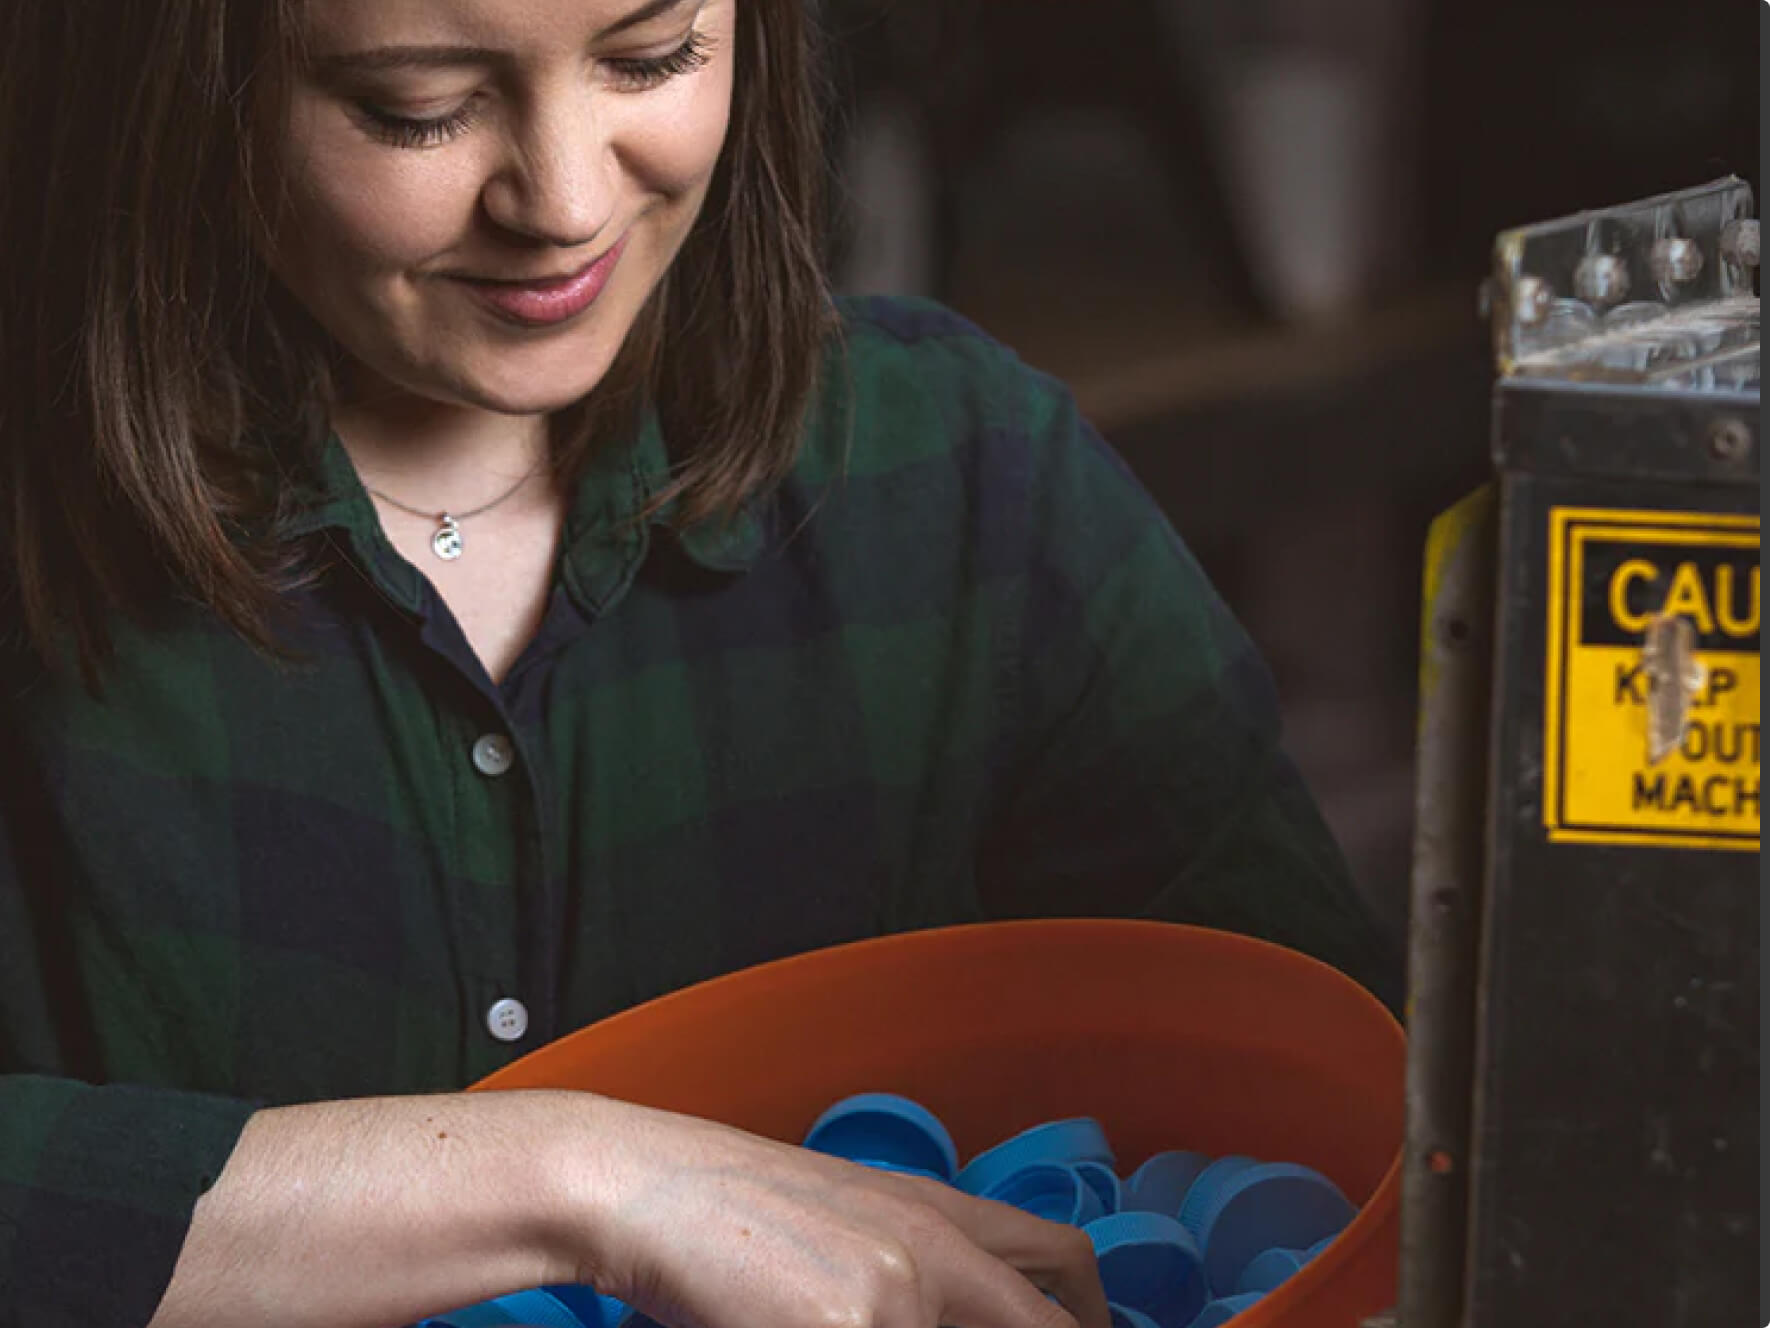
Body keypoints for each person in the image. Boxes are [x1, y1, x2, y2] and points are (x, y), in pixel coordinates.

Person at [0, 0, 1401, 1325]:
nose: (560, 202)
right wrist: (575, 1180)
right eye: (415, 108)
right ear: (195, 94)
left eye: (652, 55)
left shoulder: (964, 479)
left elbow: (1359, 1111)